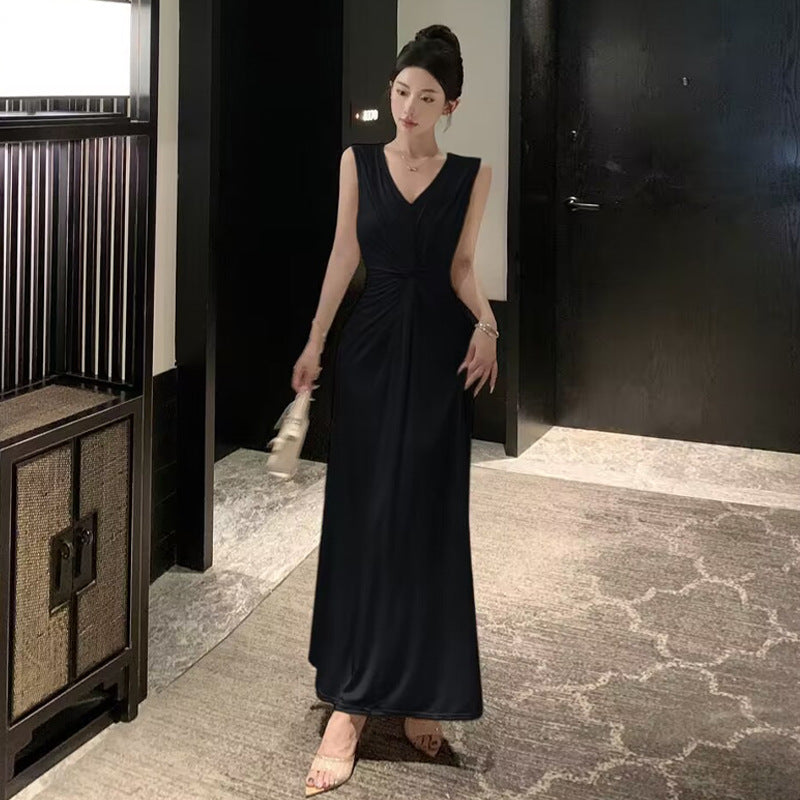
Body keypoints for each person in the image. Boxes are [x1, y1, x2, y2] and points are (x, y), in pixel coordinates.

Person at [292, 24, 498, 796]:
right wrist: (316, 341)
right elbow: (344, 255)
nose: (409, 107)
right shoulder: (359, 162)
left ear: (452, 106)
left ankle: (419, 690)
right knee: (369, 518)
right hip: (373, 353)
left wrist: (488, 325)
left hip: (440, 358)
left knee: (428, 520)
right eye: (402, 91)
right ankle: (350, 704)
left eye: (427, 97)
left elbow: (462, 267)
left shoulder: (472, 175)